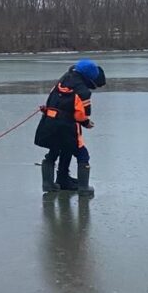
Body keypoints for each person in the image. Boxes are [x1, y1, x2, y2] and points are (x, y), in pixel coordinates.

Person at [34, 59, 106, 197]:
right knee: (82, 154)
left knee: (56, 150)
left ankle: (51, 183)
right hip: (67, 127)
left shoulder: (63, 80)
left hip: (49, 123)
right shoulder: (83, 91)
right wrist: (86, 123)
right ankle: (84, 188)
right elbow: (80, 115)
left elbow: (52, 99)